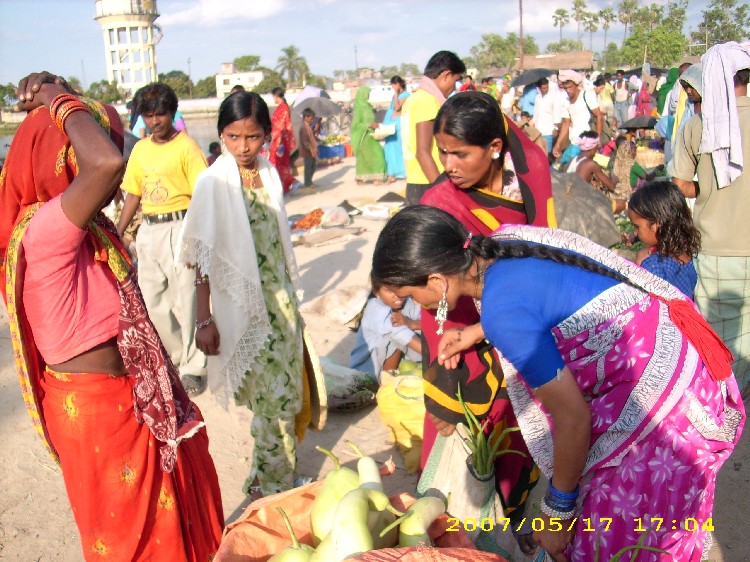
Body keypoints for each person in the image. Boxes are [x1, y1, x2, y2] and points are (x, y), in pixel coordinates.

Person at [371, 205, 744, 561]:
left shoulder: (503, 312)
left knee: (615, 540)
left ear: (436, 282)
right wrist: (477, 331)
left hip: (667, 407)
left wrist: (556, 515)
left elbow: (573, 419)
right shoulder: (504, 243)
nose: (413, 303)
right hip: (677, 363)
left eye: (408, 295)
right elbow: (546, 297)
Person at [0, 71, 223, 561]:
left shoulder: (85, 227)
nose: (119, 176)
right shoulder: (47, 226)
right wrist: (56, 97)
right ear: (64, 158)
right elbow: (105, 164)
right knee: (130, 545)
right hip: (99, 411)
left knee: (158, 534)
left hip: (121, 400)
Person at [419, 91, 555, 547]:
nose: (448, 165)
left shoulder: (531, 179)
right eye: (442, 152)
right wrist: (444, 385)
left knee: (521, 439)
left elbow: (544, 253)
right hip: (471, 344)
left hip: (526, 326)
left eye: (460, 153)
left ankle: (511, 530)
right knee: (472, 449)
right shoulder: (442, 203)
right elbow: (438, 309)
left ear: (495, 147)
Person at [178, 90, 309, 499]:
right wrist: (204, 319)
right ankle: (275, 488)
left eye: (252, 137)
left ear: (267, 134)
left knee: (283, 394)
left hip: (281, 305)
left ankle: (263, 475)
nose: (243, 147)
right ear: (221, 135)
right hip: (243, 308)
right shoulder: (212, 182)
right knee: (272, 401)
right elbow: (200, 256)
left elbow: (278, 243)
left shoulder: (268, 174)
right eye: (233, 137)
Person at [116, 82, 208, 397]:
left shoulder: (187, 147)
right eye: (149, 115)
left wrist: (198, 235)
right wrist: (119, 231)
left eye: (161, 114)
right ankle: (179, 355)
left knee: (188, 299)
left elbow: (202, 194)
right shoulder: (141, 150)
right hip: (149, 230)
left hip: (181, 226)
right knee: (152, 301)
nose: (155, 121)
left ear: (172, 113)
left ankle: (194, 367)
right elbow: (133, 194)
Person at [669, 42, 750, 400]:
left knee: (721, 343)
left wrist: (709, 186)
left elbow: (680, 185)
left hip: (717, 249)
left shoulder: (697, 126)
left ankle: (729, 407)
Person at [401, 50, 466, 205]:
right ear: (446, 75)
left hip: (417, 180)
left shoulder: (415, 98)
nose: (454, 88)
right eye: (455, 81)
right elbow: (422, 151)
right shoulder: (427, 100)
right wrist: (442, 191)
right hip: (428, 181)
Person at [627, 181, 700, 298]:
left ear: (656, 225)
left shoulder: (653, 266)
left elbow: (645, 302)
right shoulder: (692, 252)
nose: (635, 233)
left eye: (637, 226)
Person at [349, 274, 422, 381]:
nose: (397, 295)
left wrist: (412, 323)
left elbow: (429, 323)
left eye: (401, 288)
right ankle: (387, 383)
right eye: (390, 291)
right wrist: (435, 355)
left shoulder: (408, 302)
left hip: (402, 367)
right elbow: (399, 333)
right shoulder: (375, 307)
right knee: (395, 338)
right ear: (376, 291)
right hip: (368, 374)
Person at [552, 69, 602, 166]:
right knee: (563, 165)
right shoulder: (566, 101)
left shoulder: (586, 96)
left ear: (576, 85)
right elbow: (566, 124)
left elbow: (599, 116)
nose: (568, 90)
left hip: (587, 141)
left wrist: (597, 138)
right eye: (565, 88)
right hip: (574, 140)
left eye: (570, 87)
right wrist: (558, 144)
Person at [566, 131, 624, 212]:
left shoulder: (572, 160)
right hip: (581, 203)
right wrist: (615, 179)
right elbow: (611, 187)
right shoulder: (591, 164)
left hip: (567, 199)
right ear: (593, 148)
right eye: (597, 148)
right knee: (621, 204)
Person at [351, 85, 387, 184]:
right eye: (367, 93)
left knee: (371, 156)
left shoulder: (368, 106)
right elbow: (355, 125)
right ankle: (374, 178)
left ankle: (368, 178)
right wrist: (369, 125)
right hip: (364, 137)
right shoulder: (359, 107)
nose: (368, 95)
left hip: (371, 135)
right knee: (374, 156)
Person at [269, 87, 301, 194]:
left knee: (275, 164)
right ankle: (285, 187)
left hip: (280, 140)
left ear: (275, 96)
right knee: (283, 164)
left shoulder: (282, 108)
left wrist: (278, 142)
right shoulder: (283, 107)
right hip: (282, 140)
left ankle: (293, 181)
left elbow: (281, 127)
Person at [383, 75, 410, 182]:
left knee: (398, 148)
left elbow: (398, 107)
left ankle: (402, 172)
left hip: (398, 123)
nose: (393, 87)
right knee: (389, 147)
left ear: (398, 84)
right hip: (391, 122)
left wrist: (395, 96)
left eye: (393, 85)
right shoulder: (398, 95)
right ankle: (392, 172)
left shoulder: (405, 95)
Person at [533, 78, 562, 158]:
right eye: (543, 88)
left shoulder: (553, 97)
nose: (545, 89)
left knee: (547, 154)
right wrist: (533, 125)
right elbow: (536, 113)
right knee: (539, 153)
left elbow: (557, 112)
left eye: (546, 87)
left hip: (549, 130)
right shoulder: (537, 98)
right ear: (539, 88)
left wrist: (556, 128)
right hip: (538, 130)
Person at [298, 108, 318, 188]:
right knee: (309, 167)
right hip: (307, 151)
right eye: (311, 118)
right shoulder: (303, 128)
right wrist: (311, 149)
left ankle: (309, 181)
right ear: (306, 117)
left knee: (313, 166)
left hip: (311, 150)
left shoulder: (308, 127)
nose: (312, 120)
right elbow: (305, 141)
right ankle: (307, 183)